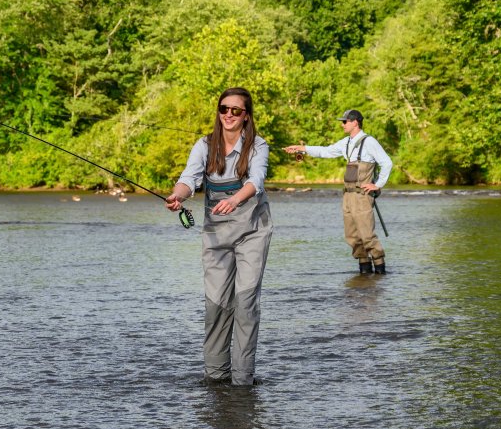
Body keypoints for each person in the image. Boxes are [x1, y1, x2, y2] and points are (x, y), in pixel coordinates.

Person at [166, 87, 272, 387]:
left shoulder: (258, 146)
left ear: (246, 116)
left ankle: (242, 380)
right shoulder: (204, 145)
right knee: (216, 304)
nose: (228, 114)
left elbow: (256, 180)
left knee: (246, 301)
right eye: (223, 108)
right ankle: (215, 377)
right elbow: (189, 179)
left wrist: (236, 199)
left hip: (253, 230)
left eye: (236, 110)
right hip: (216, 233)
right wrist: (177, 196)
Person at [283, 109, 393, 275]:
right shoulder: (346, 142)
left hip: (362, 196)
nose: (342, 124)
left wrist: (377, 185)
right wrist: (302, 148)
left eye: (345, 121)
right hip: (347, 195)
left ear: (355, 122)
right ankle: (364, 273)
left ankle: (380, 270)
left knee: (367, 236)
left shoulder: (369, 141)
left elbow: (387, 163)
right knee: (352, 236)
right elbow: (325, 151)